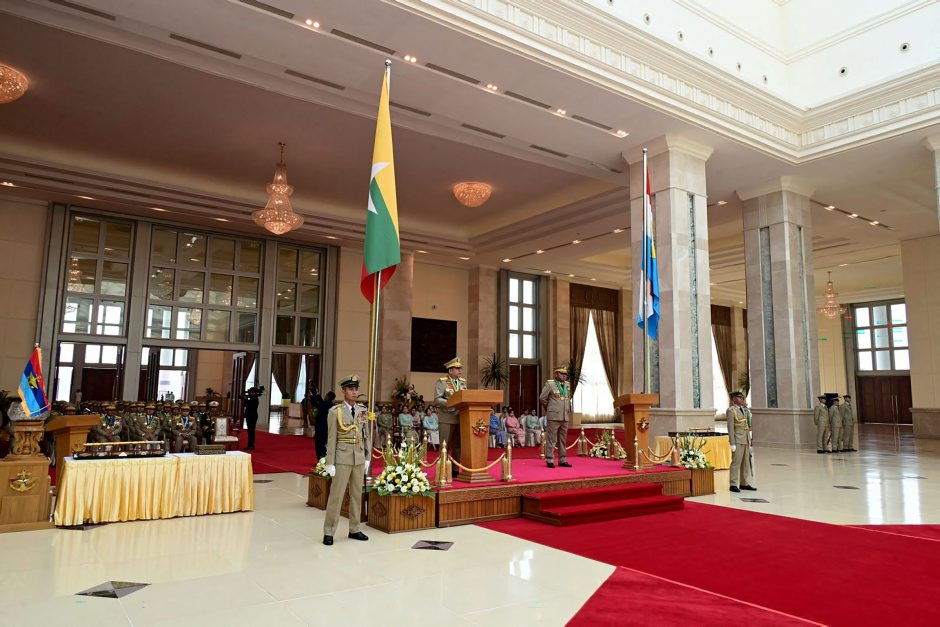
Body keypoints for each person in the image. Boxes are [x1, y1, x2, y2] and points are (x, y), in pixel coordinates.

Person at [322, 375, 371, 546]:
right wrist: (330, 462)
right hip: (342, 457)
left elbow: (366, 435)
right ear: (343, 391)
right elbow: (331, 438)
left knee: (357, 495)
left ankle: (354, 528)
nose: (354, 392)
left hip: (358, 457)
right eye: (351, 389)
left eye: (356, 389)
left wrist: (367, 457)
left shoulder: (362, 410)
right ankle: (329, 531)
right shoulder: (335, 412)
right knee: (336, 495)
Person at [539, 366, 573, 468]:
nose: (564, 376)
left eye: (565, 374)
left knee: (563, 439)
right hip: (554, 416)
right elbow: (542, 398)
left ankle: (562, 459)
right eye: (561, 374)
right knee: (551, 439)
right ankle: (550, 459)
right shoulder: (550, 384)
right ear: (556, 374)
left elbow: (568, 399)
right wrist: (549, 408)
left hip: (564, 416)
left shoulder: (567, 384)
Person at [434, 357, 466, 454]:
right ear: (450, 370)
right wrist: (451, 403)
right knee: (445, 445)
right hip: (447, 417)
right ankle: (443, 463)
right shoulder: (442, 382)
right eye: (457, 368)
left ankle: (455, 465)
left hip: (460, 417)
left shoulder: (462, 382)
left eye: (460, 368)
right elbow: (437, 399)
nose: (460, 370)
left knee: (458, 445)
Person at [726, 391, 756, 492]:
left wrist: (749, 439)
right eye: (739, 397)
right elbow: (730, 427)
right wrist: (732, 443)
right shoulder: (731, 411)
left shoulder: (744, 409)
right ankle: (733, 484)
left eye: (742, 397)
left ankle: (744, 483)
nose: (741, 399)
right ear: (734, 399)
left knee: (746, 462)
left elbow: (746, 425)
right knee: (736, 462)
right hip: (737, 439)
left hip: (746, 439)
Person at [314, 391, 334, 460]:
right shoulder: (331, 405)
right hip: (328, 427)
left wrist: (312, 396)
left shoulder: (325, 405)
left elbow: (317, 404)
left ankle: (321, 459)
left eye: (326, 395)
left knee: (319, 444)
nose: (324, 396)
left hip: (321, 427)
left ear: (327, 397)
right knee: (324, 444)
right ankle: (323, 458)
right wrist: (317, 395)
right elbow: (321, 402)